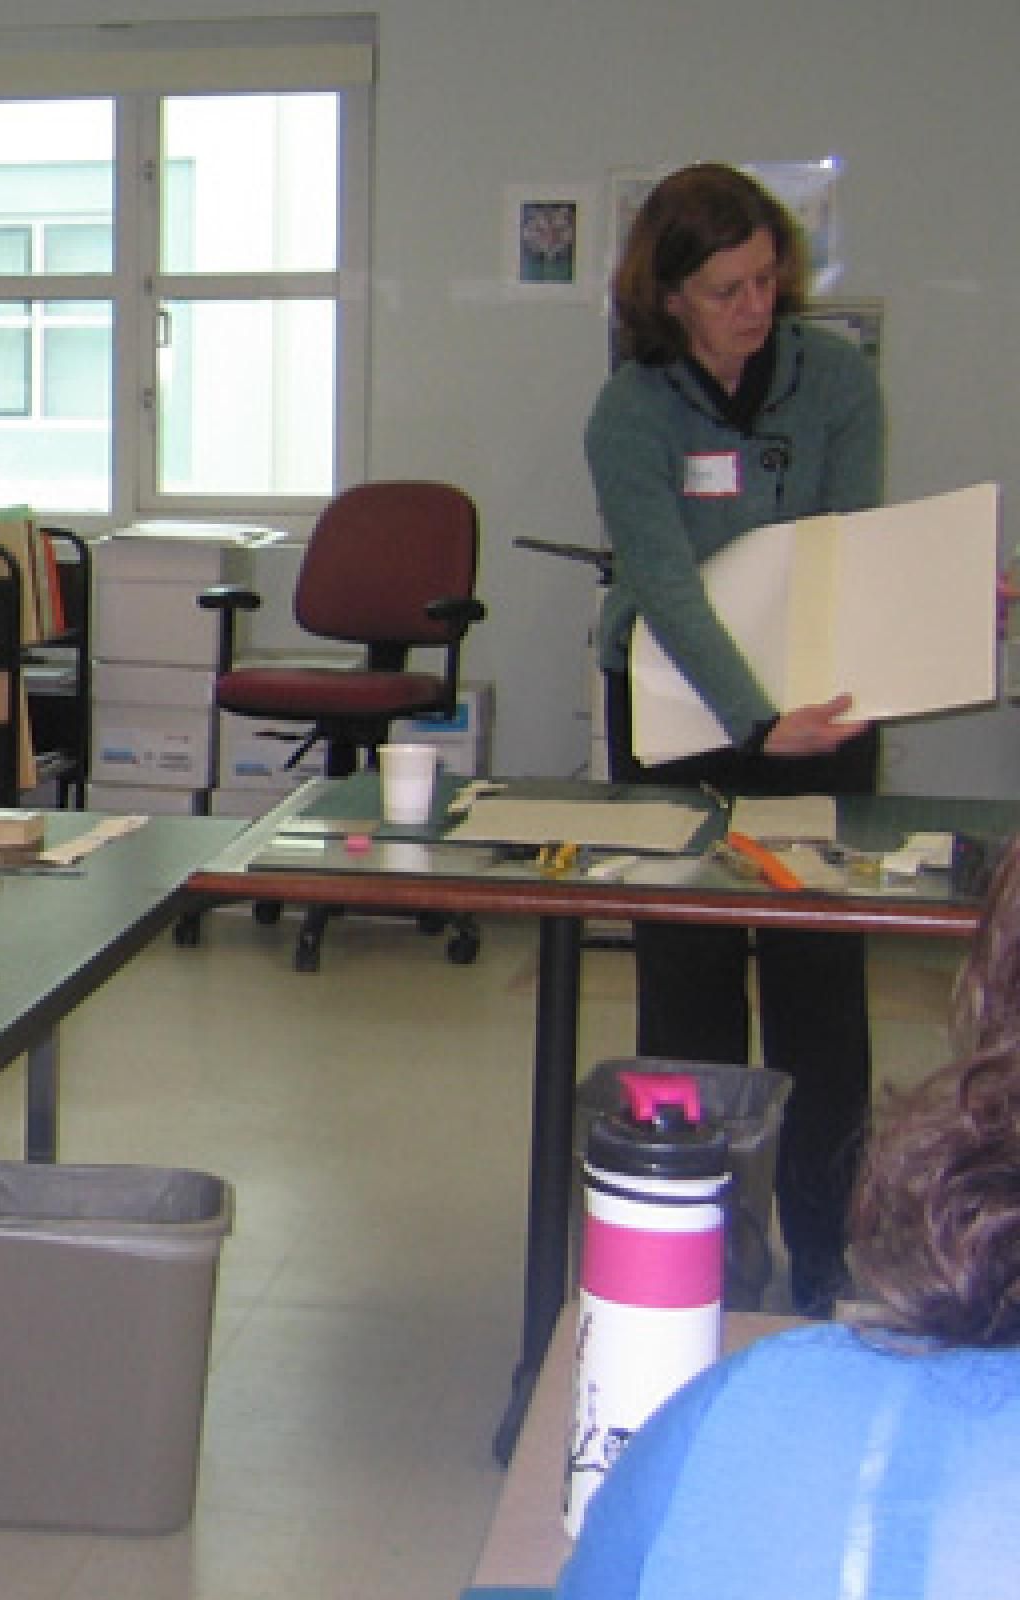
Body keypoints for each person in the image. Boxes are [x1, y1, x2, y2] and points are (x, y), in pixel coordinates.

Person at [557, 846, 1020, 1598]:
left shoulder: (747, 1419)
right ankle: (762, 1264)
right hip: (698, 772)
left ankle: (813, 1266)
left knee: (812, 1007)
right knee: (692, 1024)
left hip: (810, 788)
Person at [586, 163, 885, 1314]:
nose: (755, 307)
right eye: (724, 289)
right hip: (677, 713)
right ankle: (698, 1252)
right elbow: (663, 582)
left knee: (819, 991)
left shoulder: (838, 382)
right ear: (667, 297)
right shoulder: (630, 411)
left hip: (819, 711)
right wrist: (753, 720)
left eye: (766, 279)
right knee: (689, 988)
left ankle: (825, 1261)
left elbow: (845, 547)